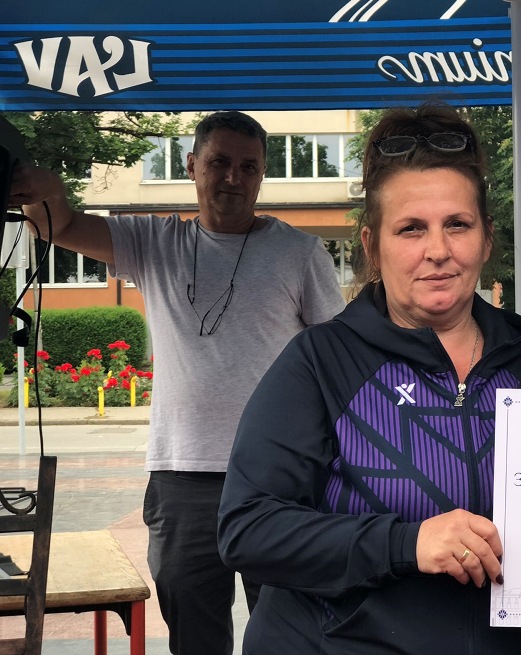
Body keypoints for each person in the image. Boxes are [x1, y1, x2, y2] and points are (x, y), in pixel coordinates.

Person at [217, 103, 521, 654]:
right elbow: (248, 529)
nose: (438, 250)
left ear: (486, 238)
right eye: (411, 229)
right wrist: (406, 543)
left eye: (457, 224)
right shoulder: (321, 362)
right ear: (371, 246)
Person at [9, 110, 344, 655]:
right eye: (219, 162)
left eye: (248, 167)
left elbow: (335, 358)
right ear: (191, 165)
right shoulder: (153, 241)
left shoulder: (300, 252)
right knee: (193, 631)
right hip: (181, 474)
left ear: (262, 174)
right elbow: (59, 226)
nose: (233, 177)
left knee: (288, 629)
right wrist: (43, 192)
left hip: (279, 474)